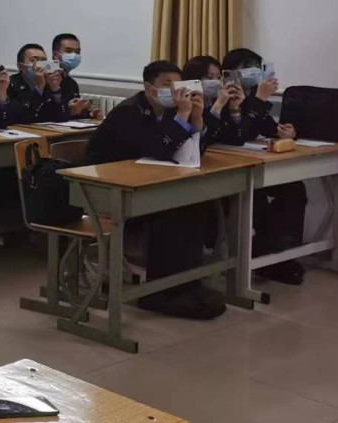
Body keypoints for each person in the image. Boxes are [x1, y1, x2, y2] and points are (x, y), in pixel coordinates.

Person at [85, 60, 232, 319]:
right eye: (167, 85)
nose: (175, 91)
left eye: (178, 85)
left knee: (195, 205)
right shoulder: (129, 112)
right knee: (173, 213)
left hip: (144, 185)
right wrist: (182, 117)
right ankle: (159, 293)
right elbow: (159, 150)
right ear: (149, 88)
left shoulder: (170, 110)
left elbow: (192, 154)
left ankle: (186, 283)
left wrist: (197, 119)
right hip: (107, 191)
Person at [219, 48, 308, 285]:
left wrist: (287, 132)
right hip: (227, 168)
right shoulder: (224, 96)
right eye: (248, 68)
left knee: (294, 188)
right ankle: (266, 254)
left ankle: (282, 252)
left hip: (253, 163)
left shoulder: (251, 95)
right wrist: (259, 99)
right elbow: (239, 134)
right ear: (231, 72)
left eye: (257, 68)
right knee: (254, 194)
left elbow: (267, 127)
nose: (255, 73)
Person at [9, 43, 92, 123]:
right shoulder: (10, 84)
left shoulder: (50, 81)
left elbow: (60, 116)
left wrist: (55, 89)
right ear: (20, 66)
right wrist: (39, 88)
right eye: (33, 60)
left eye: (43, 61)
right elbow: (22, 117)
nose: (39, 65)